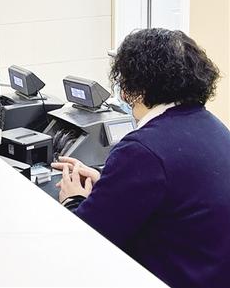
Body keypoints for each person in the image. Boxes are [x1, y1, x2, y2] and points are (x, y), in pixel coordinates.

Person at [52, 28, 230, 288]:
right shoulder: (214, 128)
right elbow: (176, 196)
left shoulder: (142, 150)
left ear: (134, 87)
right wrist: (108, 185)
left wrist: (73, 199)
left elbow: (86, 242)